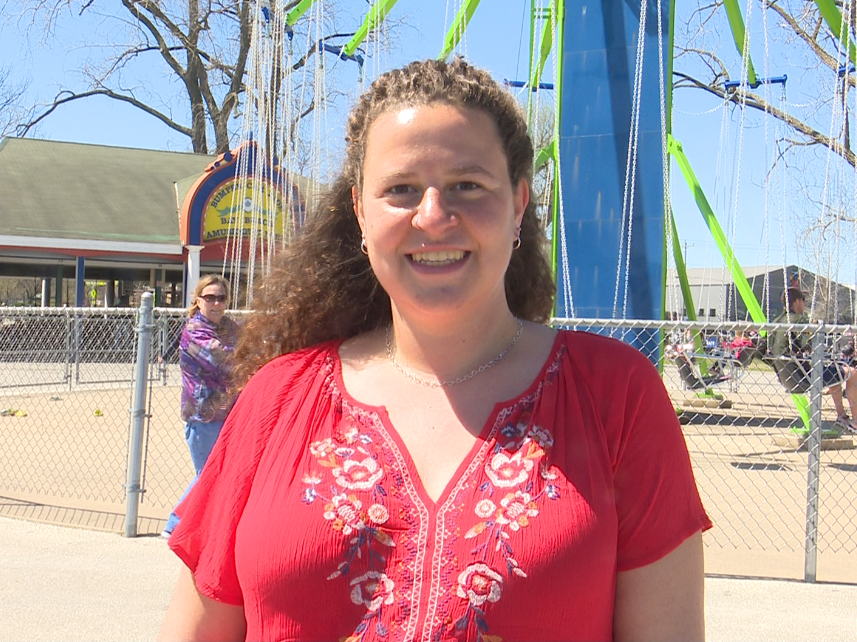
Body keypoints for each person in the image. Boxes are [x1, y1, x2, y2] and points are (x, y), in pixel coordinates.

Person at [158, 59, 711, 642]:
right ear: (360, 213)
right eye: (400, 190)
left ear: (519, 203)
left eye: (467, 186)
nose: (433, 216)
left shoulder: (614, 393)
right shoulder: (278, 397)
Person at [161, 275, 240, 538]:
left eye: (221, 298)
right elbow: (223, 361)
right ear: (198, 300)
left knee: (220, 474)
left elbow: (253, 347)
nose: (216, 303)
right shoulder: (195, 331)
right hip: (204, 417)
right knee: (208, 475)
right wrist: (248, 356)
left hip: (229, 415)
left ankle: (204, 528)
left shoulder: (229, 326)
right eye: (210, 297)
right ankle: (175, 524)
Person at [769, 288, 857, 437]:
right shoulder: (798, 320)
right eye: (803, 301)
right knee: (853, 373)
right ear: (797, 302)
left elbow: (764, 351)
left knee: (835, 377)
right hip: (805, 377)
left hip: (786, 378)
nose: (805, 304)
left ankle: (842, 417)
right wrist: (815, 329)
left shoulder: (776, 322)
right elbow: (808, 344)